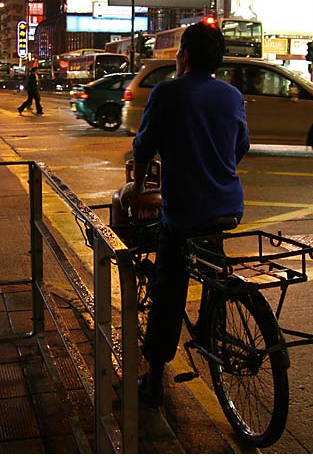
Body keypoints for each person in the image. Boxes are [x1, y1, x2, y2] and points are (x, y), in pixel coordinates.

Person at [125, 22, 250, 408]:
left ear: (186, 56)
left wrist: (139, 187)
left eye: (180, 51)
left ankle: (155, 379)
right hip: (228, 207)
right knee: (212, 267)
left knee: (168, 292)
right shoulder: (231, 95)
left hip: (183, 213)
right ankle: (213, 322)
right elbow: (240, 147)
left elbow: (144, 147)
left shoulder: (167, 92)